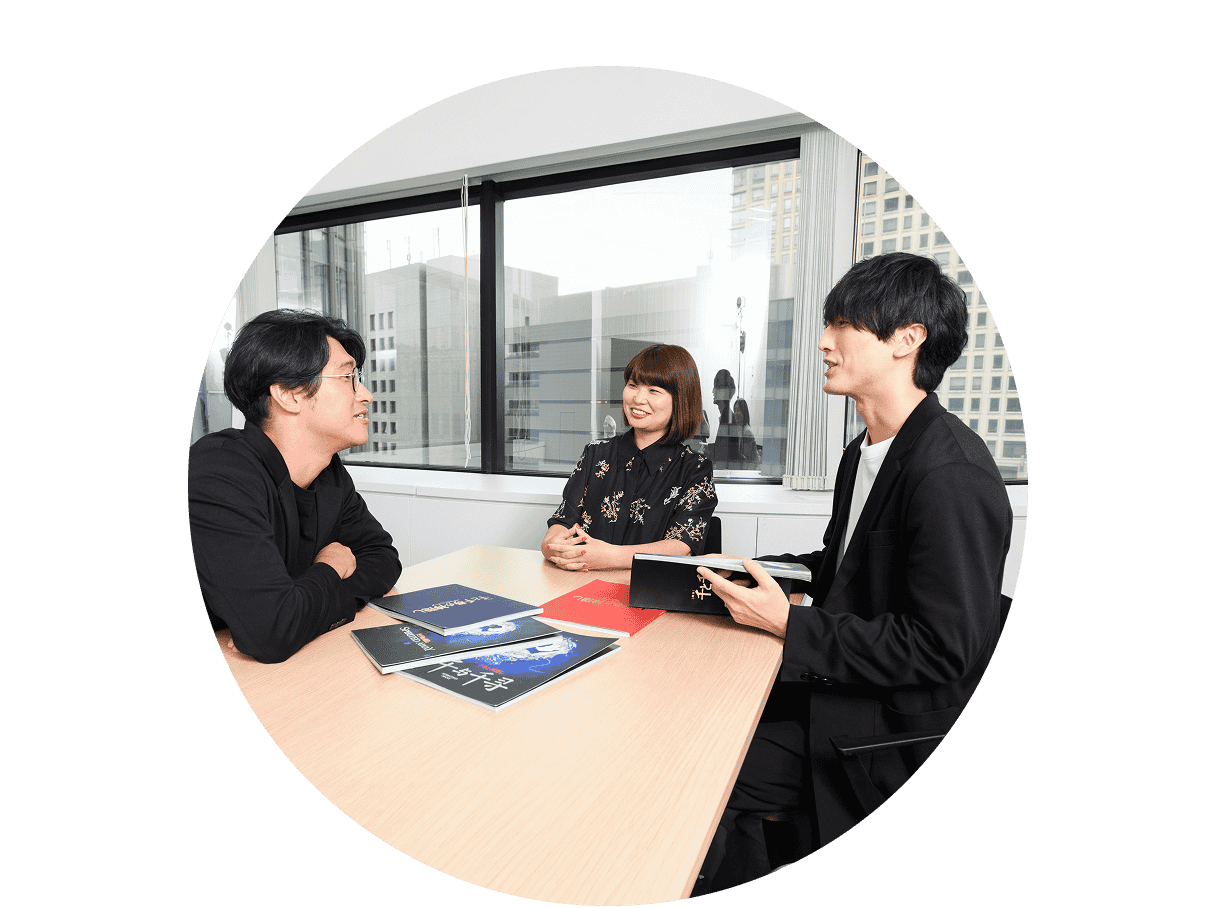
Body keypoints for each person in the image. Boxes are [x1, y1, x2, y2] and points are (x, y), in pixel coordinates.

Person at [693, 253, 1013, 891]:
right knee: (701, 708)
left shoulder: (950, 473)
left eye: (843, 324)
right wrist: (758, 572)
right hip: (843, 685)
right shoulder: (863, 452)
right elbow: (844, 566)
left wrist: (788, 624)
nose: (823, 341)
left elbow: (944, 647)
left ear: (907, 339)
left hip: (888, 727)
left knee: (700, 765)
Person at [188, 309, 402, 663]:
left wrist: (300, 606)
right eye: (347, 377)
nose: (365, 394)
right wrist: (330, 568)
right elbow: (271, 633)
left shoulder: (327, 472)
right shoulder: (218, 475)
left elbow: (382, 559)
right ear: (288, 394)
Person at [542, 344, 717, 571]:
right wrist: (551, 544)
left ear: (680, 401)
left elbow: (681, 545)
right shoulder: (595, 453)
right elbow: (564, 519)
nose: (638, 398)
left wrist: (608, 556)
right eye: (633, 385)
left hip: (647, 588)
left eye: (654, 390)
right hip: (581, 580)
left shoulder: (695, 469)